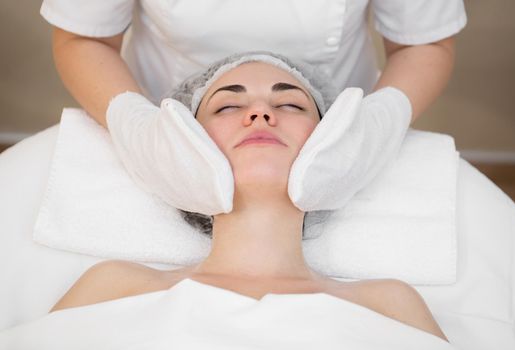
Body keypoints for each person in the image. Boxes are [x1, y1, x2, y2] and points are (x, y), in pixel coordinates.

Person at [49, 56, 450, 345]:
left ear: (333, 142)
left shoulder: (389, 302)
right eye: (227, 105)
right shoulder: (114, 285)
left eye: (290, 104)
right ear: (185, 145)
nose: (259, 112)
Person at [42, 0, 467, 129]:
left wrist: (373, 129)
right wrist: (139, 129)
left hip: (338, 122)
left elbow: (422, 43)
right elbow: (85, 37)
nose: (259, 118)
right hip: (162, 113)